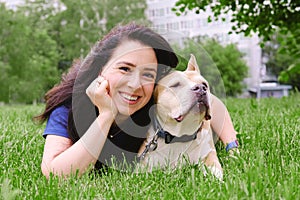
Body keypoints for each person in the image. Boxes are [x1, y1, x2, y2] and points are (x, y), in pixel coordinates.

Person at [34, 23, 239, 178]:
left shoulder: (153, 101)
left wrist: (231, 145)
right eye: (124, 69)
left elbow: (209, 101)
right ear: (101, 68)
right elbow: (55, 174)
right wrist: (106, 115)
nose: (135, 84)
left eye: (148, 74)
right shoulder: (69, 107)